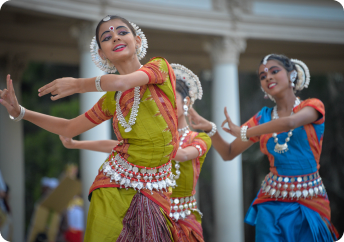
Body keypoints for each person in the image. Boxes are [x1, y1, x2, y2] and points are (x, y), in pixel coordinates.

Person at [0, 15, 179, 241]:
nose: (115, 37)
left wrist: (78, 84)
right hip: (114, 184)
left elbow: (123, 81)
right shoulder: (111, 99)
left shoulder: (159, 67)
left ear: (138, 41)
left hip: (157, 188)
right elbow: (69, 127)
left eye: (122, 32)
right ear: (103, 53)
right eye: (107, 37)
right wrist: (20, 113)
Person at [188, 54, 338, 241]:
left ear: (292, 74)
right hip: (271, 202)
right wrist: (211, 129)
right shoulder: (262, 118)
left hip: (310, 200)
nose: (268, 77)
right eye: (262, 76)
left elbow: (290, 123)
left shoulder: (313, 106)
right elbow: (228, 152)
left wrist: (244, 132)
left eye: (274, 71)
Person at [59, 64, 212, 242]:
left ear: (185, 102)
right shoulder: (152, 138)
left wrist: (152, 142)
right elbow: (116, 146)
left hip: (185, 221)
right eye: (162, 99)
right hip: (156, 209)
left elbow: (184, 155)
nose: (166, 103)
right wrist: (77, 143)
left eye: (171, 98)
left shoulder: (199, 139)